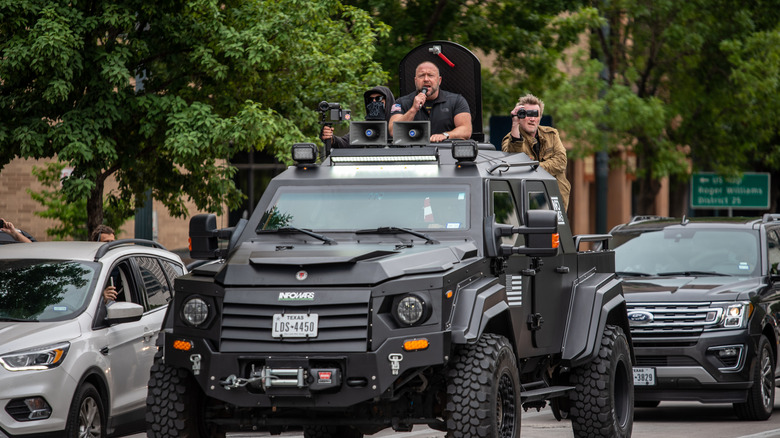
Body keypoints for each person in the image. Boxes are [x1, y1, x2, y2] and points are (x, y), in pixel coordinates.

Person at [502, 94, 571, 211]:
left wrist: (534, 167)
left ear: (540, 117)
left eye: (535, 114)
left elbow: (561, 162)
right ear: (520, 116)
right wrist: (515, 124)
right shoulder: (510, 139)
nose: (532, 119)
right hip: (528, 202)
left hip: (556, 200)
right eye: (528, 114)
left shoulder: (552, 134)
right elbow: (514, 162)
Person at [389, 61, 472, 142]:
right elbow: (393, 131)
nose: (426, 79)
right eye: (421, 76)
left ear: (439, 80)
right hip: (414, 152)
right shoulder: (401, 102)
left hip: (445, 152)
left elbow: (466, 130)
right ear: (415, 81)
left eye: (430, 75)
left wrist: (445, 135)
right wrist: (413, 109)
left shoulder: (457, 100)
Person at [321, 86, 396, 148]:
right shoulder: (364, 127)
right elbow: (345, 143)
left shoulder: (398, 126)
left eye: (378, 98)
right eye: (370, 99)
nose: (374, 102)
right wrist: (331, 139)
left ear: (388, 101)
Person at [90, 225, 120, 305]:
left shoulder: (119, 263)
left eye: (112, 242)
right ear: (95, 243)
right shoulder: (89, 265)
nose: (110, 245)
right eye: (106, 242)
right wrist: (102, 297)